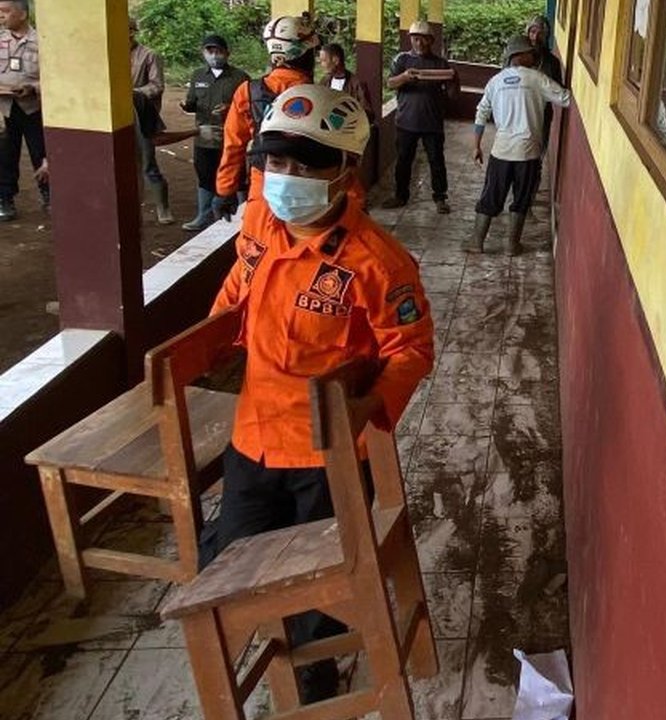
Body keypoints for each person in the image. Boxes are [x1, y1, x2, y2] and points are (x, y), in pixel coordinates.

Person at [207, 84, 434, 702]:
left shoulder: (377, 262)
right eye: (277, 163)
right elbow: (233, 294)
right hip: (254, 436)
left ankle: (317, 668)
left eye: (306, 166)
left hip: (327, 454)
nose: (288, 178)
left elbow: (411, 351)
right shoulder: (262, 227)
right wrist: (208, 337)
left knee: (322, 579)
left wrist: (366, 412)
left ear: (345, 171)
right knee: (235, 563)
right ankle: (275, 639)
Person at [469, 35, 570, 255]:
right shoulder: (537, 79)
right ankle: (511, 245)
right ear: (521, 55)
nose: (534, 56)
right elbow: (565, 98)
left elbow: (481, 113)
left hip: (501, 151)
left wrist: (476, 146)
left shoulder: (495, 81)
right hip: (528, 152)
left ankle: (476, 242)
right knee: (521, 198)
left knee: (491, 196)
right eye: (531, 53)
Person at [212, 15, 319, 221]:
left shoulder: (247, 91)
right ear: (306, 53)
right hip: (308, 187)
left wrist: (225, 190)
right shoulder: (319, 95)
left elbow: (233, 145)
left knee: (257, 236)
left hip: (263, 184)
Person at [384, 20, 457, 213]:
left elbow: (452, 95)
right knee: (403, 161)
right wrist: (405, 77)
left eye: (424, 39)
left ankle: (440, 198)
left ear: (431, 40)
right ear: (410, 39)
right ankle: (400, 196)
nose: (419, 43)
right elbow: (389, 84)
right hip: (406, 122)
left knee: (436, 161)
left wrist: (454, 79)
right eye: (416, 38)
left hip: (432, 122)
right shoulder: (402, 60)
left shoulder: (441, 64)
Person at [180, 34, 249, 232]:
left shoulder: (240, 78)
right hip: (204, 137)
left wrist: (230, 108)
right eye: (210, 51)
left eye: (218, 51)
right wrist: (186, 105)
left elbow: (249, 107)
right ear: (203, 53)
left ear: (227, 53)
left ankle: (244, 218)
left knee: (237, 176)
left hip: (232, 138)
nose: (214, 55)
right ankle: (204, 216)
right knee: (205, 175)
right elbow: (192, 102)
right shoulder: (198, 76)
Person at [0, 0, 44, 222]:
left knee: (41, 152)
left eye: (6, 11)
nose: (1, 16)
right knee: (5, 156)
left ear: (23, 14)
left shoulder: (41, 42)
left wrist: (32, 88)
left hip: (34, 108)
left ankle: (50, 195)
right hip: (4, 110)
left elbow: (54, 77)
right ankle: (5, 199)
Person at [130, 18, 172, 225]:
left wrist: (133, 94)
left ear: (132, 32)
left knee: (148, 163)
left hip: (142, 115)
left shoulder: (149, 55)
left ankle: (162, 207)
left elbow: (157, 86)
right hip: (115, 116)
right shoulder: (110, 55)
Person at [524, 15, 563, 157]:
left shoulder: (552, 63)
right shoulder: (517, 57)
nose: (535, 37)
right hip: (520, 110)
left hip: (542, 114)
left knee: (537, 154)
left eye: (540, 33)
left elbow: (558, 91)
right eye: (532, 32)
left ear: (546, 36)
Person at [318, 43, 376, 122]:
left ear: (336, 60)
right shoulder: (324, 81)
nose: (321, 65)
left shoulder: (357, 84)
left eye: (324, 61)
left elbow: (368, 113)